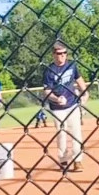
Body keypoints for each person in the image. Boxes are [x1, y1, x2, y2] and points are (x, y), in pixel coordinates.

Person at [41, 40, 88, 171]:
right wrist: (56, 98)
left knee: (76, 133)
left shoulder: (72, 65)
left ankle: (77, 161)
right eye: (58, 53)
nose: (61, 56)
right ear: (53, 54)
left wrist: (85, 93)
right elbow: (46, 91)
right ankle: (63, 160)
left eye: (64, 53)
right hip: (57, 107)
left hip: (72, 104)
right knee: (61, 133)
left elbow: (79, 79)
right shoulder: (49, 70)